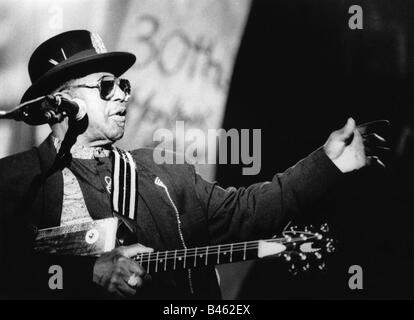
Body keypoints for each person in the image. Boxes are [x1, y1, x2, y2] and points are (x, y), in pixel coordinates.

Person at [0, 30, 387, 299]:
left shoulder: (163, 170)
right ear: (60, 104)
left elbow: (246, 211)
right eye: (105, 86)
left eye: (123, 85)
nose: (122, 94)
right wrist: (89, 272)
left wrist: (326, 163)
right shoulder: (15, 182)